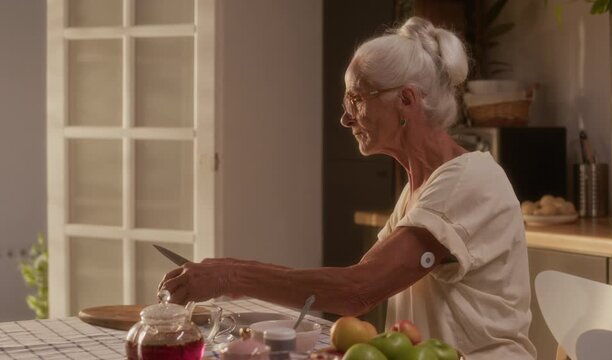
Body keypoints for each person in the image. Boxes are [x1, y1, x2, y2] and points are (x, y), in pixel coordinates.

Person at [159, 17, 536, 359]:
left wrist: (232, 277)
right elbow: (359, 280)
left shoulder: (467, 181)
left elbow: (358, 291)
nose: (344, 117)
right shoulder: (422, 187)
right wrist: (232, 273)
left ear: (406, 99)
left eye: (356, 99)